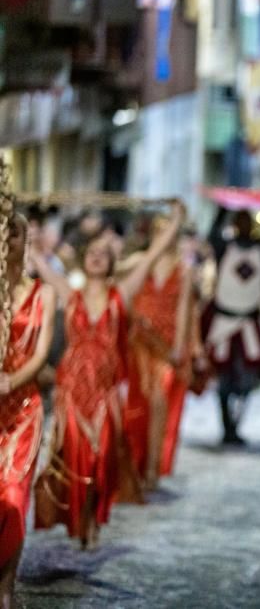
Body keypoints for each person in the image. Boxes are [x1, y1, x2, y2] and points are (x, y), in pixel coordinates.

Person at [32, 201, 184, 548]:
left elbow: (150, 256)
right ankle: (79, 520)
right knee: (74, 457)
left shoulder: (122, 296)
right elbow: (40, 261)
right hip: (71, 388)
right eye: (92, 253)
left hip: (104, 392)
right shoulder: (69, 294)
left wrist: (175, 222)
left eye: (104, 253)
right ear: (84, 260)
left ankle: (93, 517)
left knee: (101, 457)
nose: (98, 257)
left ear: (112, 261)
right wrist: (32, 235)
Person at [0, 214, 55, 606]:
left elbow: (40, 354)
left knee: (16, 498)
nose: (7, 240)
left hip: (23, 409)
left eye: (13, 233)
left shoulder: (43, 293)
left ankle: (6, 584)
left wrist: (11, 382)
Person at [122, 213, 196, 490]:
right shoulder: (140, 263)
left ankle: (153, 466)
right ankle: (137, 464)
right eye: (159, 230)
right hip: (141, 341)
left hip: (166, 345)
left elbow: (184, 309)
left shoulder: (184, 269)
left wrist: (179, 346)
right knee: (140, 402)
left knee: (159, 399)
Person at [203, 209, 260, 446]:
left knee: (246, 382)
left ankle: (235, 424)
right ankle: (227, 426)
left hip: (249, 323)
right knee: (224, 381)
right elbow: (212, 236)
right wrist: (223, 209)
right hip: (225, 321)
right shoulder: (225, 248)